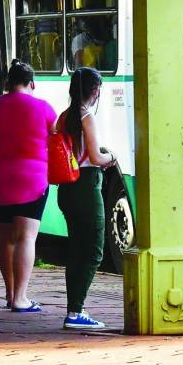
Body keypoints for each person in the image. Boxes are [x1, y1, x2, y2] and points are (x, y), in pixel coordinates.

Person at [0, 59, 56, 313]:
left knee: (5, 238)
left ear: (8, 83)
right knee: (26, 237)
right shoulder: (43, 108)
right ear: (32, 83)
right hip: (32, 181)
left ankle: (9, 293)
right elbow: (55, 138)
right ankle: (21, 298)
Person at [57, 67, 117, 330]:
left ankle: (74, 308)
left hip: (66, 188)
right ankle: (75, 311)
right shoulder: (87, 117)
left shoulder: (63, 117)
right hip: (86, 186)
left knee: (76, 249)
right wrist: (112, 158)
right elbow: (95, 158)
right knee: (93, 251)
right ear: (94, 91)